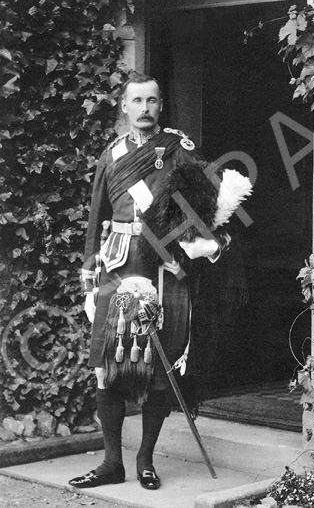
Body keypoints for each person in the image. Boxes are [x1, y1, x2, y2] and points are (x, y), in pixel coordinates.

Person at [69, 74, 223, 491]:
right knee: (107, 365)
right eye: (136, 100)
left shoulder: (180, 150)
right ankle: (111, 463)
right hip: (117, 267)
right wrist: (88, 278)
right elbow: (95, 218)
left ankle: (145, 461)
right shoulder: (112, 155)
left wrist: (189, 260)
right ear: (124, 106)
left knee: (161, 366)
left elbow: (209, 210)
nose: (145, 108)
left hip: (163, 267)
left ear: (159, 106)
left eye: (152, 100)